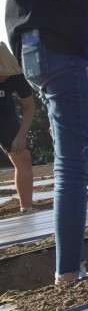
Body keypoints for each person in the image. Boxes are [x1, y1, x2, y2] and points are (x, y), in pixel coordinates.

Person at [5, 0, 88, 284]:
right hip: (59, 48)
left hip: (35, 49)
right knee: (73, 163)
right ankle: (69, 271)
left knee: (67, 159)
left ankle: (68, 266)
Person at [0, 42, 35, 212]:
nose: (4, 77)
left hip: (5, 116)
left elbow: (29, 106)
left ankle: (26, 209)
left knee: (24, 157)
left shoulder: (16, 75)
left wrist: (21, 135)